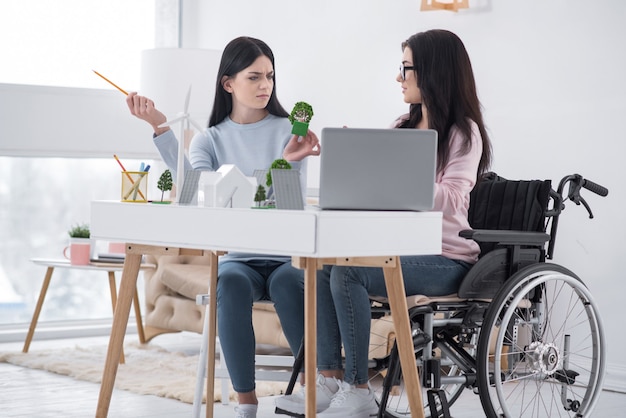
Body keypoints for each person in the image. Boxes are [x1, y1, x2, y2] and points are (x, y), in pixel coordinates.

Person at [276, 29, 492, 417]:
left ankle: (358, 388)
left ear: (433, 72)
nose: (399, 77)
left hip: (446, 258)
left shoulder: (463, 132)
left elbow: (455, 198)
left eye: (406, 68)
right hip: (400, 250)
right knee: (325, 265)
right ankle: (329, 377)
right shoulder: (401, 127)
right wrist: (358, 164)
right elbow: (382, 197)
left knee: (349, 275)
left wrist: (398, 177)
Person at [126, 36, 320, 418]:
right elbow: (193, 189)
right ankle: (245, 403)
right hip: (240, 258)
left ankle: (312, 390)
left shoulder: (290, 131)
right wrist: (158, 126)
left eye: (270, 77)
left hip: (287, 255)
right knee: (229, 283)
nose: (266, 85)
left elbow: (287, 201)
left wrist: (282, 163)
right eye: (254, 77)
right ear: (228, 83)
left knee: (286, 282)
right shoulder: (210, 140)